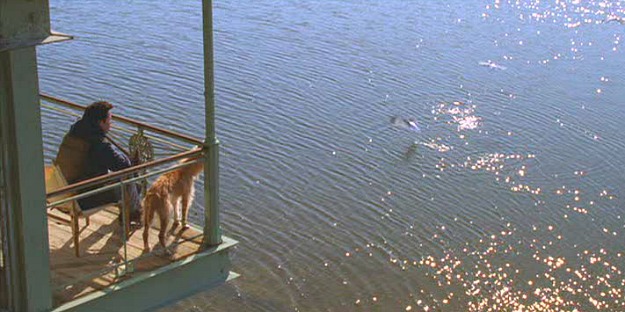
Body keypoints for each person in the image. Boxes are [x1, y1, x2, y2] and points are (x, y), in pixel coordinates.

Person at [55, 101, 142, 225]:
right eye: (109, 121)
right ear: (101, 122)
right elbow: (123, 166)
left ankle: (130, 215)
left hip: (63, 191)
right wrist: (131, 161)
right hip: (83, 198)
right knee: (133, 183)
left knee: (126, 180)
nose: (111, 125)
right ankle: (132, 217)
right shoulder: (99, 145)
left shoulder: (73, 134)